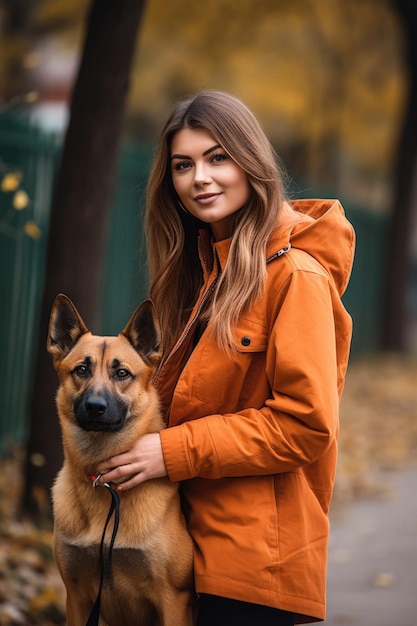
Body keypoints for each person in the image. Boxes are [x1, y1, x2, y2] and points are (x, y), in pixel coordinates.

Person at [96, 90, 355, 625]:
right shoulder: (202, 275)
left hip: (253, 567)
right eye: (183, 165)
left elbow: (306, 425)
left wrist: (172, 451)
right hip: (182, 547)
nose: (201, 178)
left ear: (252, 163)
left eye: (218, 158)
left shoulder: (295, 277)